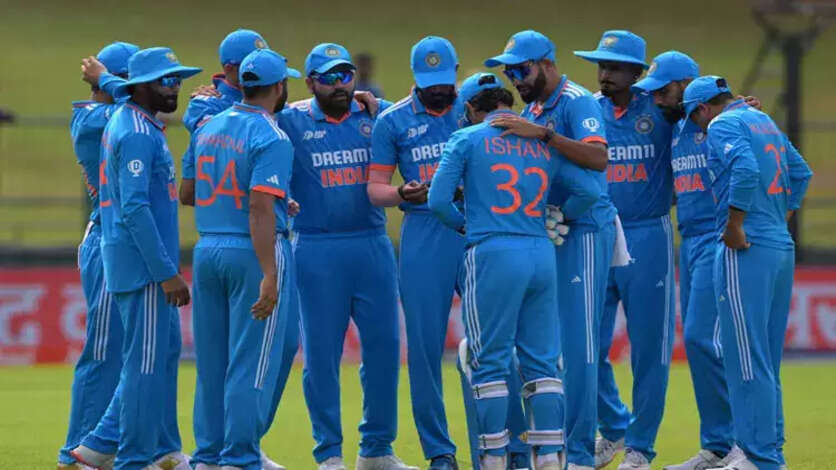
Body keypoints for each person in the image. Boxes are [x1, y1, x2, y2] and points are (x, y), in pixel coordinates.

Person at [429, 72, 603, 470]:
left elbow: (438, 201)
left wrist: (465, 225)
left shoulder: (466, 139)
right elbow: (590, 191)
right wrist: (560, 215)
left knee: (488, 361)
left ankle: (494, 458)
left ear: (470, 108)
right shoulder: (539, 141)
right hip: (540, 252)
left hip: (492, 251)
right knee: (543, 362)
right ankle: (550, 457)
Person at [484, 30, 622, 470]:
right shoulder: (534, 110)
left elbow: (598, 159)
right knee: (558, 345)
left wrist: (542, 135)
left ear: (546, 63)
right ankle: (590, 433)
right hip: (552, 227)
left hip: (585, 228)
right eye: (509, 72)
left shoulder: (577, 101)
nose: (515, 79)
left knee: (580, 344)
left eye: (521, 70)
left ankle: (579, 453)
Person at [275, 42, 415, 470]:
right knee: (321, 356)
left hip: (371, 243)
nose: (339, 84)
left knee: (385, 349)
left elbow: (418, 116)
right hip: (316, 247)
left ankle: (376, 449)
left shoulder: (376, 115)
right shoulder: (291, 120)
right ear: (309, 82)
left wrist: (382, 104)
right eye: (329, 77)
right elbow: (246, 115)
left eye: (346, 75)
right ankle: (329, 454)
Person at [71, 47, 200, 470]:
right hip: (139, 263)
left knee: (152, 358)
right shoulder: (127, 128)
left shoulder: (132, 121)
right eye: (166, 80)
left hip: (136, 258)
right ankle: (118, 455)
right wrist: (165, 272)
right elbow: (135, 210)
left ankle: (106, 448)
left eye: (177, 79)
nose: (175, 87)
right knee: (133, 361)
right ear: (136, 85)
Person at [684, 75, 812, 470]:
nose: (697, 127)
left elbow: (744, 168)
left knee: (744, 354)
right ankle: (769, 452)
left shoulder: (722, 123)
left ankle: (756, 456)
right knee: (764, 357)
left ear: (702, 108)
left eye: (694, 118)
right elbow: (801, 172)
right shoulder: (763, 121)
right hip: (778, 244)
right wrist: (779, 217)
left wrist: (736, 224)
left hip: (746, 247)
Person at [184, 48, 299, 470]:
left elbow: (187, 192)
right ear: (279, 87)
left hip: (207, 249)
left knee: (212, 364)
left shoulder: (208, 126)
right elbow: (259, 207)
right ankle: (240, 457)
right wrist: (270, 272)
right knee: (251, 362)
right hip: (251, 251)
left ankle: (207, 457)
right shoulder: (272, 135)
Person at [632, 51, 743, 470]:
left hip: (721, 238)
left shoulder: (725, 122)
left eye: (663, 91)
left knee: (704, 338)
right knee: (698, 343)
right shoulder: (675, 128)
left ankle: (743, 442)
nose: (657, 100)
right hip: (690, 241)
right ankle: (717, 446)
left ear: (686, 86)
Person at [573, 30, 675, 470]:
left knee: (649, 347)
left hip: (648, 233)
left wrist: (738, 108)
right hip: (596, 231)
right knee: (584, 343)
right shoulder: (588, 110)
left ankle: (640, 447)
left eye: (614, 67)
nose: (605, 74)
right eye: (602, 66)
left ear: (637, 72)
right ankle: (614, 425)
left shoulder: (661, 110)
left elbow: (702, 127)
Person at [367, 35, 465, 470]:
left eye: (444, 82)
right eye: (430, 84)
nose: (438, 90)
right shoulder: (393, 121)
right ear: (415, 78)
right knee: (425, 349)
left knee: (492, 343)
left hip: (477, 224)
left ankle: (499, 447)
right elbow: (375, 188)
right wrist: (400, 193)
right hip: (424, 227)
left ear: (456, 73)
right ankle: (439, 452)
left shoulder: (474, 108)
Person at [59, 41, 138, 470]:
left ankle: (113, 447)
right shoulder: (93, 119)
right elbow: (134, 111)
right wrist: (108, 81)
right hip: (106, 241)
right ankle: (76, 451)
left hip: (122, 241)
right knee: (104, 350)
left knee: (129, 353)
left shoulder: (118, 116)